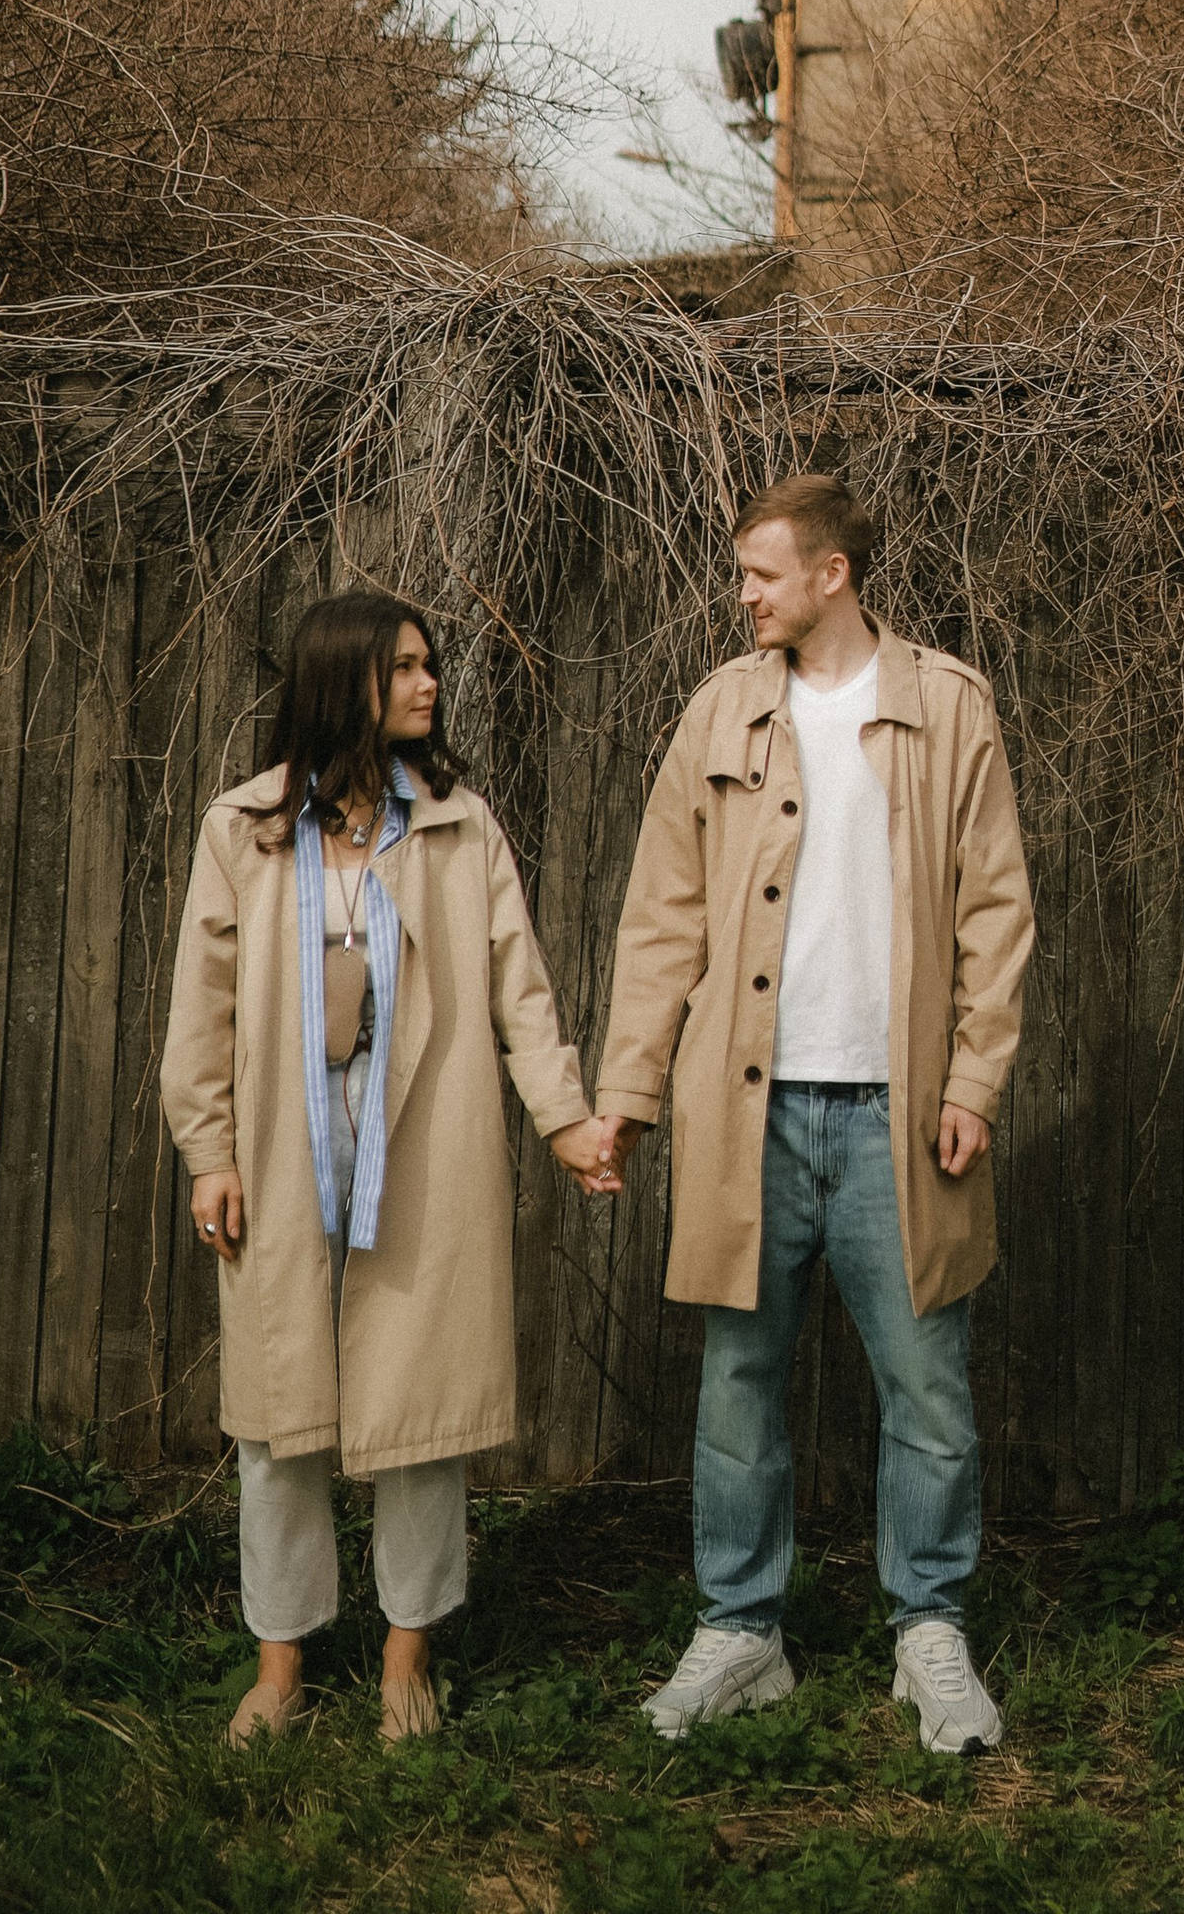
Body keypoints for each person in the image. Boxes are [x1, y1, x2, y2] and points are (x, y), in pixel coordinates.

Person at [591, 473, 1035, 1756]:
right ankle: (740, 1632)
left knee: (928, 1388)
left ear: (832, 574)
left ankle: (928, 1634)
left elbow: (997, 911)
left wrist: (972, 1083)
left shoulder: (945, 707)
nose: (743, 596)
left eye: (761, 575)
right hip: (749, 1118)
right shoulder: (719, 709)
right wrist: (627, 1091)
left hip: (902, 1114)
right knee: (736, 1385)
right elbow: (661, 915)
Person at [161, 589, 610, 1743]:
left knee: (423, 1421)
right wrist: (208, 1152)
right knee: (275, 1424)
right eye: (404, 667)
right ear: (342, 680)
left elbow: (521, 988)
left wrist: (564, 1119)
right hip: (277, 1156)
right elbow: (200, 1009)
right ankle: (280, 1668)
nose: (428, 685)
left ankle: (407, 1660)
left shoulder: (461, 830)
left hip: (422, 1157)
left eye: (429, 665)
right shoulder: (245, 830)